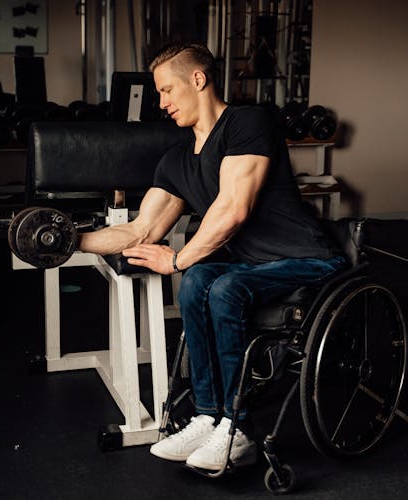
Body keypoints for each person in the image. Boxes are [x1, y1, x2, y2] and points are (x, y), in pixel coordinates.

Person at [78, 41, 346, 471]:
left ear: (198, 80)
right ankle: (208, 416)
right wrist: (66, 240)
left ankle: (238, 431)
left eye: (167, 90)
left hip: (306, 259)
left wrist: (178, 260)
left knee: (218, 284)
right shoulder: (178, 159)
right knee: (200, 283)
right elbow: (139, 229)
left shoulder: (248, 123)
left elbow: (232, 210)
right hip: (249, 266)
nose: (161, 103)